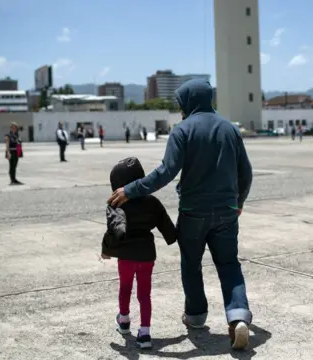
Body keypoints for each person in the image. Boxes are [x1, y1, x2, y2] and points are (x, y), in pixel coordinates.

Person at [108, 79, 253, 350]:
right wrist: (239, 201)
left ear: (188, 101)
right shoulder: (230, 130)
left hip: (193, 213)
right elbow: (246, 172)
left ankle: (196, 317)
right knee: (229, 265)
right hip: (227, 211)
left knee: (191, 263)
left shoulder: (182, 131)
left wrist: (131, 190)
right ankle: (238, 317)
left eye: (180, 103)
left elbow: (166, 172)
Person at [101, 157, 177, 350]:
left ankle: (124, 320)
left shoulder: (116, 203)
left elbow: (113, 229)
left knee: (125, 288)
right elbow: (167, 228)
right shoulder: (152, 202)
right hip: (146, 256)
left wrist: (106, 251)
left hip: (126, 256)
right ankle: (145, 333)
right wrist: (173, 237)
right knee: (145, 294)